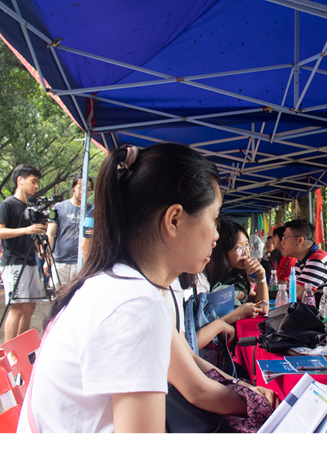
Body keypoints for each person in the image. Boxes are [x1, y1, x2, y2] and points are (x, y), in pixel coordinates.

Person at [17, 144, 277, 434]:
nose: (217, 235)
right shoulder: (135, 306)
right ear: (174, 220)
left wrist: (248, 394)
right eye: (213, 219)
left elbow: (193, 378)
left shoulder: (124, 286)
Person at [195, 217, 268, 366]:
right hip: (207, 358)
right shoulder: (203, 282)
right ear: (221, 250)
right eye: (239, 248)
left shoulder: (237, 278)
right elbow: (197, 334)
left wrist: (262, 278)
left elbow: (263, 307)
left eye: (247, 246)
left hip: (229, 352)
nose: (246, 253)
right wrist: (236, 314)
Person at [0, 164, 45, 344]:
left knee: (30, 306)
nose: (36, 186)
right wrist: (26, 230)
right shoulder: (7, 204)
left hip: (31, 262)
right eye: (33, 181)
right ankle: (9, 353)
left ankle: (21, 346)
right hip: (14, 262)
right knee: (17, 307)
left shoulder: (31, 206)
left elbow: (32, 233)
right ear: (20, 180)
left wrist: (40, 247)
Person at [282, 219, 327, 320]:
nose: (283, 242)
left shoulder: (317, 260)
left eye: (285, 237)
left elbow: (293, 294)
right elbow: (291, 292)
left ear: (300, 240)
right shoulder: (302, 260)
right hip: (323, 316)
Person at [45, 175, 94, 288]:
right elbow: (51, 234)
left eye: (88, 189)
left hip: (83, 263)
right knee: (59, 298)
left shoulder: (93, 210)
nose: (84, 191)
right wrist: (47, 259)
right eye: (81, 188)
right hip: (61, 263)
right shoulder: (59, 207)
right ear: (73, 187)